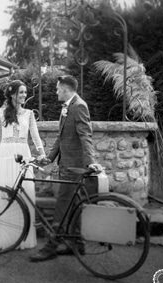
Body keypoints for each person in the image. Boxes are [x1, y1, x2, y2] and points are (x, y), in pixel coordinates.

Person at [29, 75, 100, 262]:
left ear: (67, 89)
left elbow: (86, 135)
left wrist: (90, 160)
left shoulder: (79, 106)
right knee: (73, 205)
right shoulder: (67, 107)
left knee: (62, 206)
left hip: (73, 168)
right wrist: (49, 158)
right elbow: (61, 138)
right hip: (66, 165)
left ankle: (51, 247)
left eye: (58, 88)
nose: (56, 91)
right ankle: (76, 245)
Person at [0, 79, 47, 250]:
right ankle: (2, 236)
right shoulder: (0, 113)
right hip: (6, 156)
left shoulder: (29, 114)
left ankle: (20, 236)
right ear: (12, 94)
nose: (24, 95)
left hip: (23, 155)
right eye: (21, 92)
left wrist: (42, 153)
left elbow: (35, 136)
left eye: (25, 92)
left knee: (24, 193)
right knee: (3, 193)